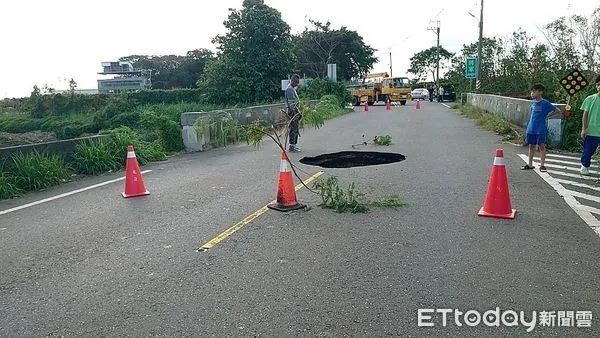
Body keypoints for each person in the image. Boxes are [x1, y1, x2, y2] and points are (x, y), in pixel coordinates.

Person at [521, 84, 563, 172]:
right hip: (531, 128)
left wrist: (547, 116)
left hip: (540, 128)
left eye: (534, 91)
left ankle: (542, 165)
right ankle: (530, 164)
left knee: (542, 146)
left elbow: (557, 110)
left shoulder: (545, 103)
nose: (532, 93)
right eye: (531, 91)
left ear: (540, 92)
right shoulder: (532, 102)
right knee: (531, 146)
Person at [579, 75, 600, 175]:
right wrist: (584, 129)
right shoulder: (590, 99)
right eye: (598, 85)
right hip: (592, 131)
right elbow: (585, 115)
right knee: (588, 152)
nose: (599, 87)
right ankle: (585, 165)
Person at [285, 74, 302, 152]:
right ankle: (291, 146)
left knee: (296, 128)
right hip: (292, 112)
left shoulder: (292, 88)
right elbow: (291, 103)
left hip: (295, 111)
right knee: (293, 128)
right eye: (296, 82)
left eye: (298, 82)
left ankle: (294, 145)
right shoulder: (289, 89)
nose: (297, 84)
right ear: (292, 81)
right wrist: (296, 112)